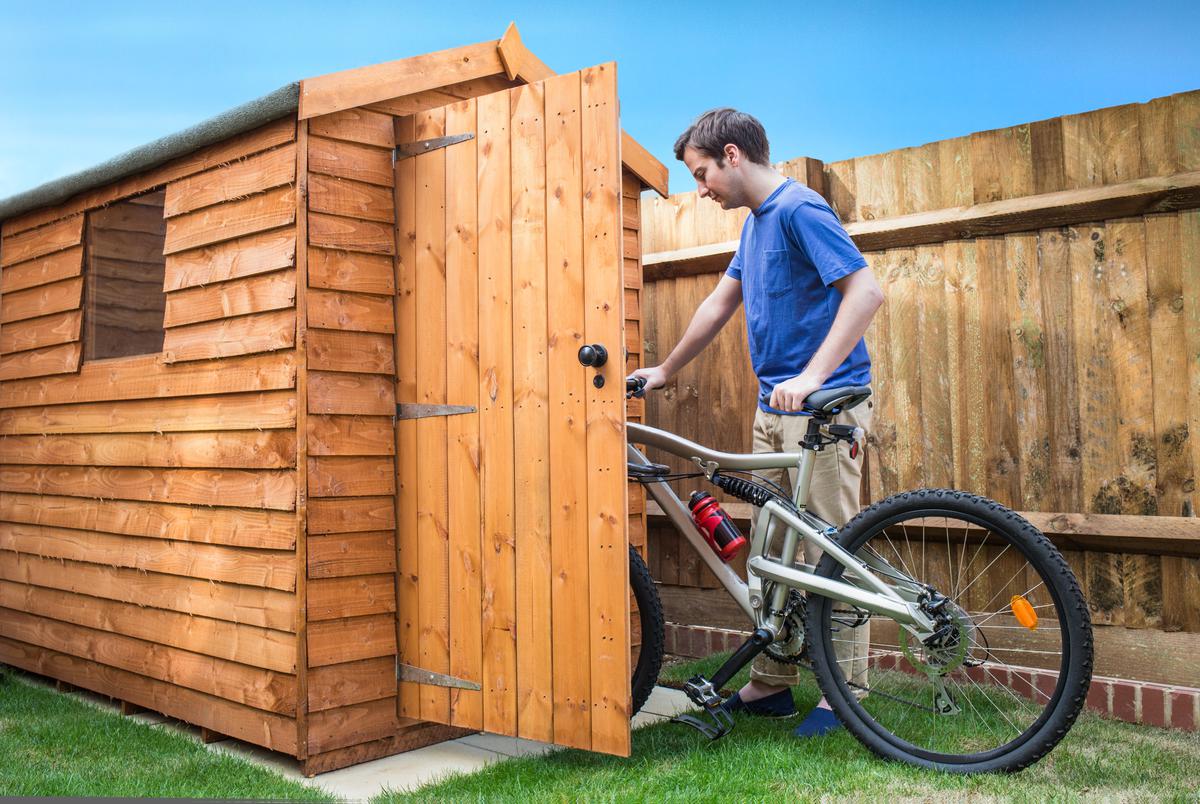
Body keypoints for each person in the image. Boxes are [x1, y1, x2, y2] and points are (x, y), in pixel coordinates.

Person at [631, 108, 884, 738]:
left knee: (829, 550)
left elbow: (866, 292)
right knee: (772, 556)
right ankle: (772, 682)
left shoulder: (800, 210)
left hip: (825, 410)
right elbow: (720, 303)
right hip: (774, 411)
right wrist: (664, 369)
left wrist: (812, 378)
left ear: (733, 155)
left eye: (702, 174)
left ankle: (844, 695)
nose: (702, 189)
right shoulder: (754, 228)